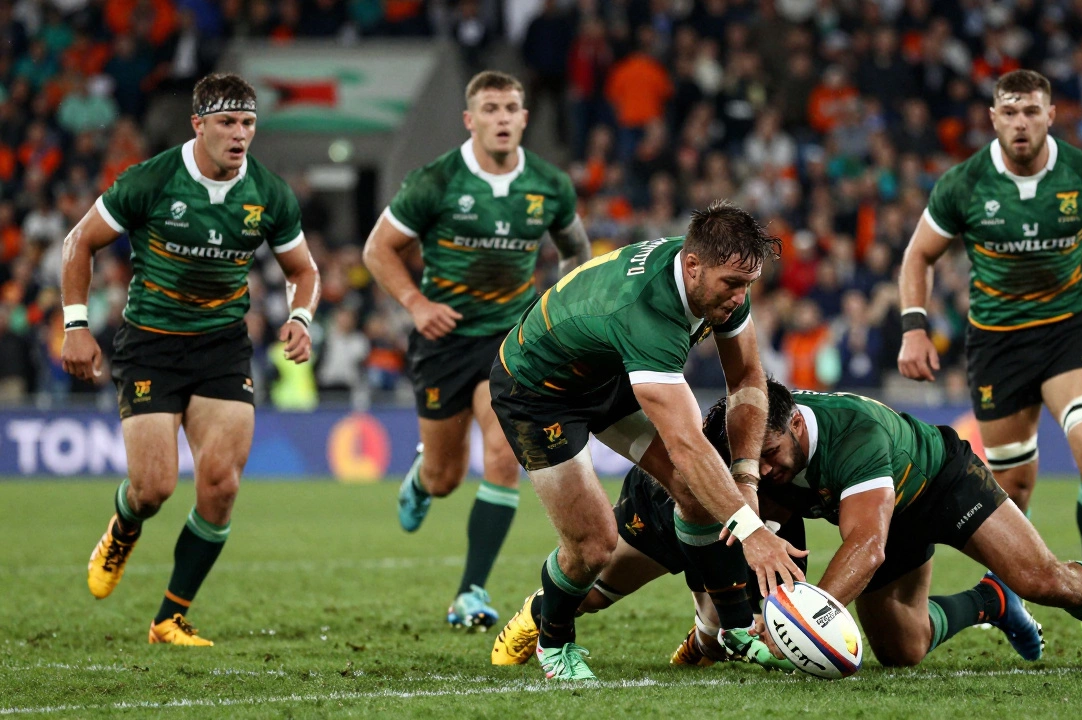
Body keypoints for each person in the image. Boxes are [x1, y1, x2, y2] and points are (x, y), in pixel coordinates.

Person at [500, 381, 1082, 672]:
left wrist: (805, 617)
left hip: (934, 486)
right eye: (753, 459)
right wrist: (731, 624)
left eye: (772, 455)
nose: (765, 468)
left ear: (796, 428)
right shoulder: (758, 459)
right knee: (902, 651)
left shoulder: (855, 439)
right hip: (859, 521)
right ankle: (987, 605)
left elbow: (866, 543)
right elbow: (761, 554)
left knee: (1046, 577)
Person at [897, 70, 1082, 629]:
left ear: (1052, 115)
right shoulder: (965, 183)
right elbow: (918, 255)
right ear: (993, 119)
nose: (1020, 122)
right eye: (1009, 111)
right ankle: (1005, 600)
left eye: (1031, 111)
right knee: (1013, 487)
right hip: (997, 346)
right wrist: (914, 327)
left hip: (1066, 333)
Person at [489, 202, 806, 680]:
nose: (740, 299)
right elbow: (687, 444)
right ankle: (552, 642)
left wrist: (745, 479)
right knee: (594, 544)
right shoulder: (648, 312)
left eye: (748, 285)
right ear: (693, 266)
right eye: (733, 285)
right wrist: (752, 532)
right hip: (539, 392)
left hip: (607, 369)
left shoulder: (712, 282)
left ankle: (735, 630)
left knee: (698, 493)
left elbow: (747, 379)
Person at [64, 73, 319, 646]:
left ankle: (169, 617)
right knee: (152, 488)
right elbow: (79, 241)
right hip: (151, 342)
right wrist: (76, 325)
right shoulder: (151, 180)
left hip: (222, 343)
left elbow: (304, 270)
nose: (239, 134)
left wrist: (300, 318)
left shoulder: (269, 194)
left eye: (248, 123)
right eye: (227, 122)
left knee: (222, 485)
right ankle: (124, 525)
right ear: (198, 124)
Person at [362, 70, 591, 630]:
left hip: (509, 339)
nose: (503, 119)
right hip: (442, 338)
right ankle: (421, 479)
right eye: (490, 109)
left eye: (512, 108)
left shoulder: (548, 184)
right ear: (470, 120)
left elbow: (575, 250)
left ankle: (470, 590)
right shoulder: (435, 180)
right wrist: (415, 305)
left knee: (503, 457)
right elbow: (378, 249)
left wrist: (559, 310)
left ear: (524, 118)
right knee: (445, 476)